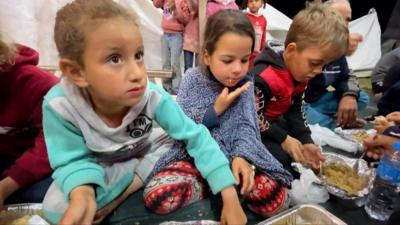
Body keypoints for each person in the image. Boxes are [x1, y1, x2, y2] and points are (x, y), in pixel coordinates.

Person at [41, 1, 245, 224]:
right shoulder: (60, 106)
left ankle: (124, 195)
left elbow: (195, 136)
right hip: (100, 164)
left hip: (148, 151)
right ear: (76, 72)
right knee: (56, 208)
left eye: (138, 55)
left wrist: (229, 195)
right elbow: (72, 159)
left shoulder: (152, 96)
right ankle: (118, 195)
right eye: (115, 59)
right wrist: (83, 193)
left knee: (169, 144)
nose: (138, 74)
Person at [148, 9, 293, 218]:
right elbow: (182, 127)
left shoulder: (246, 84)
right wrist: (216, 109)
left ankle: (225, 185)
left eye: (244, 60)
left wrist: (242, 157)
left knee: (275, 199)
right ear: (207, 56)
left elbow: (247, 127)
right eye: (227, 60)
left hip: (236, 155)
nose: (237, 69)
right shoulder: (192, 79)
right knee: (160, 195)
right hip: (197, 158)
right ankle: (211, 184)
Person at [250, 2, 349, 175]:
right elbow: (252, 116)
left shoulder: (300, 72)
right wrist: (283, 139)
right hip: (247, 124)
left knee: (299, 149)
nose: (319, 71)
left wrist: (306, 140)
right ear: (291, 50)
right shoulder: (263, 77)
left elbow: (295, 109)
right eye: (315, 63)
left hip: (270, 122)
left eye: (324, 65)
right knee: (283, 157)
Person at [0, 34, 58, 208]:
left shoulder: (39, 85)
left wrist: (5, 187)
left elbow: (54, 143)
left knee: (47, 197)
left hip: (40, 163)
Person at [304, 0, 369, 130]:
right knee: (300, 115)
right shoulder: (306, 40)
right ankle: (336, 123)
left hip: (319, 100)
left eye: (347, 20)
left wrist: (349, 95)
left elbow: (346, 75)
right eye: (337, 18)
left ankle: (329, 119)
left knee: (361, 98)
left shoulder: (339, 50)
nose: (344, 25)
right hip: (300, 102)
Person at [153, 0, 184, 94]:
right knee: (165, 62)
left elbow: (185, 19)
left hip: (177, 35)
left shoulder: (182, 2)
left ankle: (176, 88)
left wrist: (175, 9)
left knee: (175, 63)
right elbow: (156, 4)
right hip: (165, 33)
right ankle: (167, 88)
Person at [175, 0, 200, 72]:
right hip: (189, 39)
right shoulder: (184, 2)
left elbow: (196, 8)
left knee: (199, 71)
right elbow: (184, 18)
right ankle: (187, 83)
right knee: (188, 68)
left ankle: (197, 83)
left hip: (202, 39)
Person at [244, 0, 267, 69]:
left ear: (262, 3)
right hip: (245, 52)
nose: (253, 3)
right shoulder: (244, 17)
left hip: (256, 54)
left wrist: (262, 51)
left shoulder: (263, 19)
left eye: (256, 0)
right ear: (247, 4)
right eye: (250, 1)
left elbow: (263, 37)